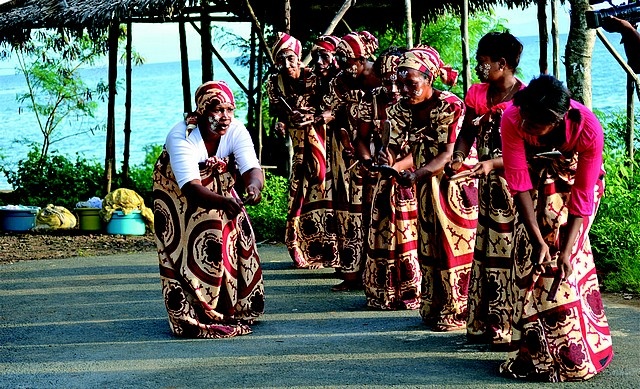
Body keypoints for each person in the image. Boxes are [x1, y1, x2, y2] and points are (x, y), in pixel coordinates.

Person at [499, 75, 613, 381]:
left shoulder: (588, 129)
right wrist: (537, 240)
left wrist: (566, 249)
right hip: (533, 193)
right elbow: (519, 182)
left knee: (567, 265)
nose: (524, 128)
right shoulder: (512, 116)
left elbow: (582, 195)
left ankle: (573, 350)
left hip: (575, 193)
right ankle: (532, 352)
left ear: (555, 121)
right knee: (530, 262)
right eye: (523, 118)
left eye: (533, 126)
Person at [153, 80, 265, 338]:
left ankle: (234, 306)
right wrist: (222, 202)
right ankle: (200, 308)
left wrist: (254, 188)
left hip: (217, 190)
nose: (225, 117)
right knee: (208, 234)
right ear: (202, 111)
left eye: (229, 110)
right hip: (177, 193)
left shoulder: (236, 129)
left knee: (241, 232)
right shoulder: (182, 136)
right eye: (217, 110)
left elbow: (251, 168)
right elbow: (190, 187)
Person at [388, 46, 478, 331]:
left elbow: (449, 153)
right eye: (399, 83)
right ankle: (435, 305)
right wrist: (388, 162)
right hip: (426, 179)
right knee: (430, 241)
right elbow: (393, 146)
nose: (404, 89)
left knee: (454, 242)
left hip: (454, 180)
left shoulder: (450, 105)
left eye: (411, 83)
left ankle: (458, 310)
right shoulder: (400, 108)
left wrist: (416, 174)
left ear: (429, 78)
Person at [446, 31, 525, 349]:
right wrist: (459, 156)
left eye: (484, 63)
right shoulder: (477, 94)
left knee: (510, 250)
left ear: (502, 64)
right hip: (486, 184)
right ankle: (489, 323)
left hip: (515, 184)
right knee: (488, 250)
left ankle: (510, 324)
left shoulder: (524, 97)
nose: (479, 69)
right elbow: (465, 131)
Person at [357, 46, 422, 310]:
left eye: (398, 81)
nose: (394, 89)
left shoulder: (418, 104)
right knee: (381, 232)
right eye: (386, 82)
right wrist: (368, 161)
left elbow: (425, 149)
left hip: (414, 176)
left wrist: (398, 165)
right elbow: (361, 139)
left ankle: (412, 288)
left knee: (411, 234)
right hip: (382, 174)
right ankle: (384, 289)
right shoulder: (371, 100)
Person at [266, 32, 339, 270]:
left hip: (325, 143)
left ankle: (332, 250)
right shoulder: (274, 84)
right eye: (281, 60)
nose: (286, 65)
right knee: (298, 195)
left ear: (298, 58)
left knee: (326, 191)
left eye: (290, 59)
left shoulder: (315, 77)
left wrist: (314, 117)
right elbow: (278, 112)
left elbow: (333, 108)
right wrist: (282, 123)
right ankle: (301, 249)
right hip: (299, 146)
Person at [321, 30, 381, 291]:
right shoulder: (340, 82)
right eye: (343, 61)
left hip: (381, 149)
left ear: (364, 57)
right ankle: (352, 273)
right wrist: (324, 119)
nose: (348, 67)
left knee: (377, 210)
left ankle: (379, 273)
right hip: (347, 152)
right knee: (350, 209)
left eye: (352, 61)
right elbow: (328, 110)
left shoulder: (382, 78)